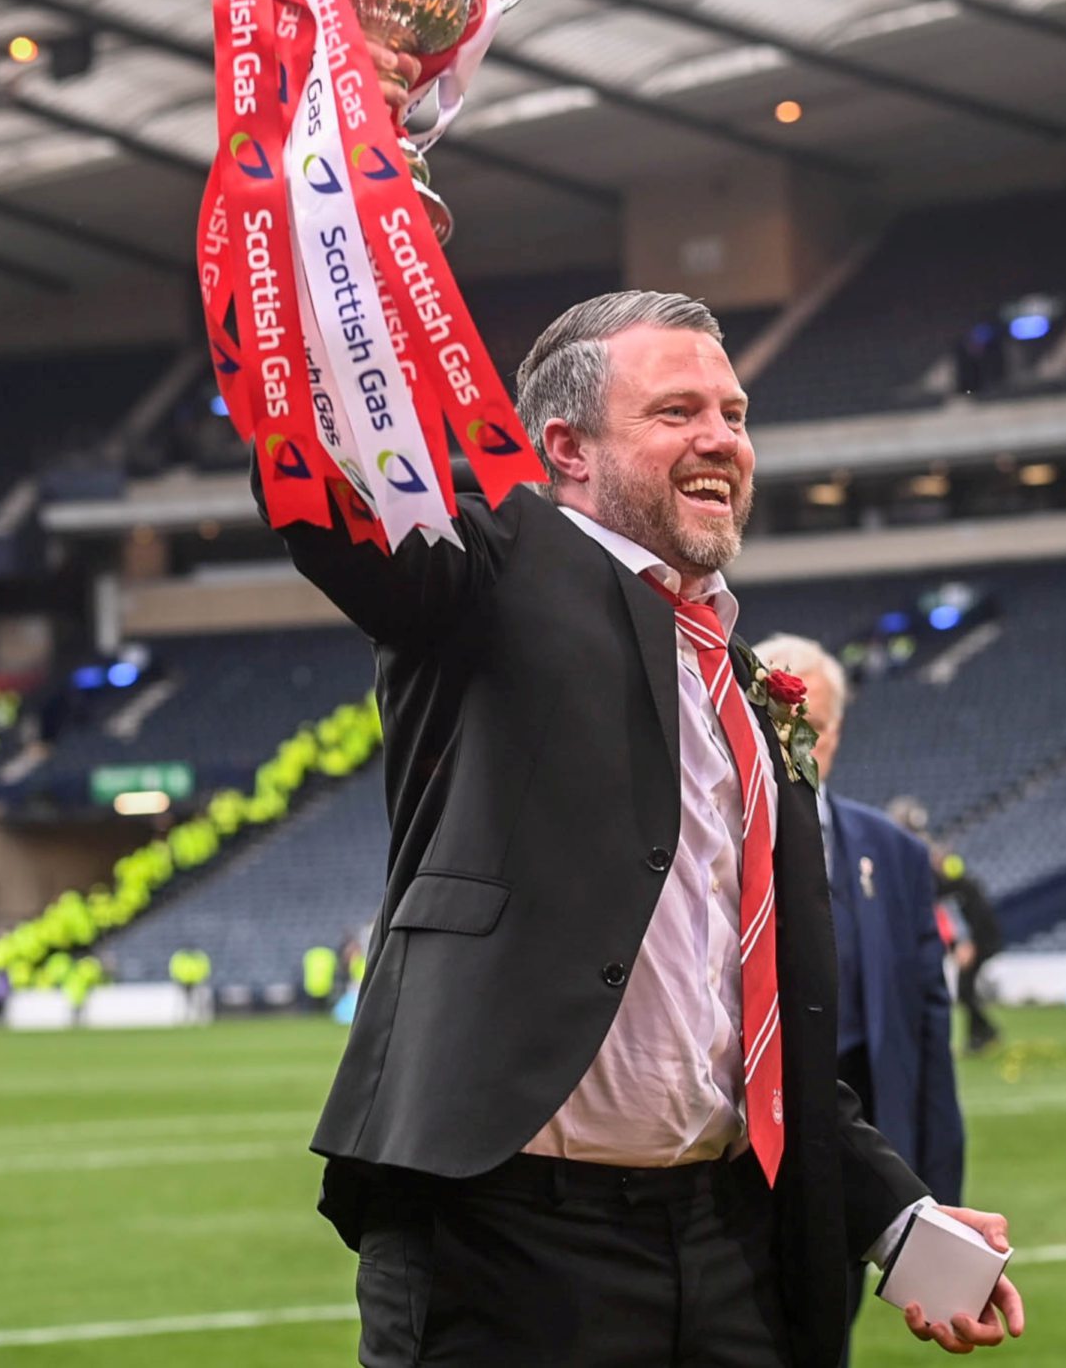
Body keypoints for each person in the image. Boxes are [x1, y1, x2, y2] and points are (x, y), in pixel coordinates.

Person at [261, 239, 1023, 1366]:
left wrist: (898, 1217)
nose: (722, 437)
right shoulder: (481, 581)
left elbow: (765, 1027)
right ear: (564, 447)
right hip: (506, 1241)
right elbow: (329, 478)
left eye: (734, 410)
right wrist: (331, 211)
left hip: (734, 1247)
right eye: (676, 411)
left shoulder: (749, 684)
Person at [753, 635, 965, 1366]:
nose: (794, 735)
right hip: (733, 1167)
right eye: (776, 714)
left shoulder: (895, 854)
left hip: (848, 1168)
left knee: (823, 1344)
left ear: (836, 732)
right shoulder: (711, 837)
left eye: (809, 719)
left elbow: (928, 1034)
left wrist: (939, 1213)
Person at [931, 849, 1004, 1054]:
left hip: (978, 943)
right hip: (975, 943)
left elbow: (974, 919)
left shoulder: (962, 888)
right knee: (966, 990)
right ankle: (982, 1033)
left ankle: (983, 1033)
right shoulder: (953, 888)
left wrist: (969, 944)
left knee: (965, 989)